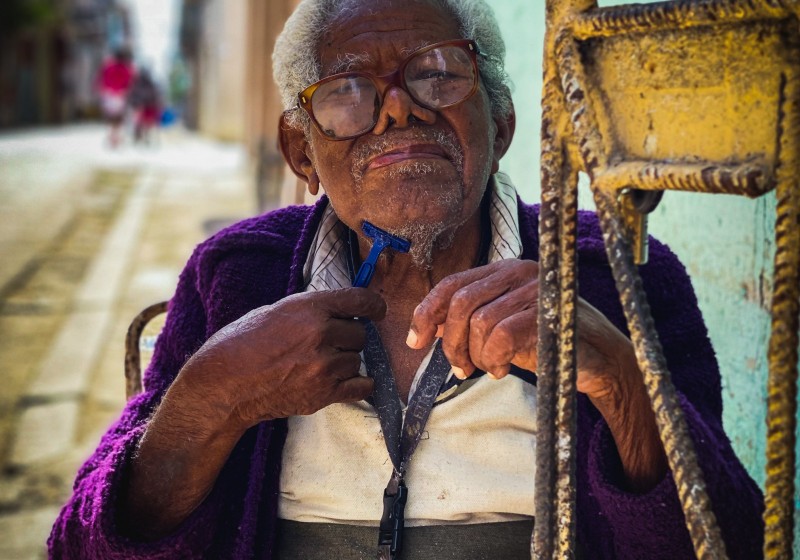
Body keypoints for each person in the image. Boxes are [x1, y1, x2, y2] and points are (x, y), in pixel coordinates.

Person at [49, 1, 764, 558]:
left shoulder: (614, 272)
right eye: (347, 90)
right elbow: (83, 548)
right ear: (301, 150)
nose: (398, 107)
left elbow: (730, 540)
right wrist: (212, 399)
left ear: (503, 122)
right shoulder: (239, 276)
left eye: (439, 73)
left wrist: (616, 376)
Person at [98, 46, 136, 148]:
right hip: (120, 95)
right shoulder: (127, 68)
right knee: (119, 119)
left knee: (110, 118)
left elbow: (102, 79)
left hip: (109, 94)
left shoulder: (108, 65)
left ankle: (112, 137)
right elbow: (130, 83)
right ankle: (116, 138)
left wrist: (103, 91)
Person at [127, 68, 162, 145]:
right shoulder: (146, 84)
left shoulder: (140, 84)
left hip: (144, 107)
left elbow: (132, 95)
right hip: (142, 107)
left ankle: (142, 137)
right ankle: (141, 137)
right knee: (142, 124)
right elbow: (155, 96)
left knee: (142, 124)